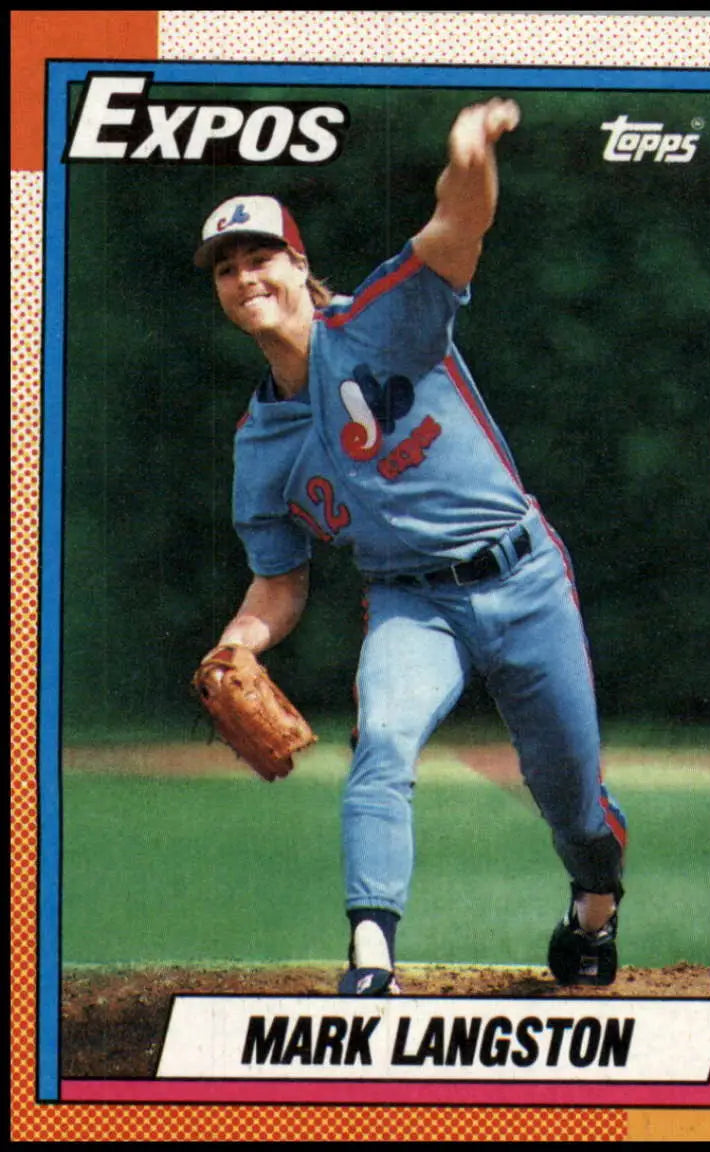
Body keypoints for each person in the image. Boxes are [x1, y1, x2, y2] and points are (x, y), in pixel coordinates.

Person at [194, 98, 627, 994]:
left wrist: (470, 155)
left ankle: (592, 909)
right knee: (382, 742)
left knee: (570, 796)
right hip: (409, 601)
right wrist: (241, 640)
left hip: (524, 577)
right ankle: (371, 961)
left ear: (298, 264)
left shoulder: (381, 322)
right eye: (226, 268)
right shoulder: (260, 445)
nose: (245, 277)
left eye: (260, 255)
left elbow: (456, 223)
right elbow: (278, 582)